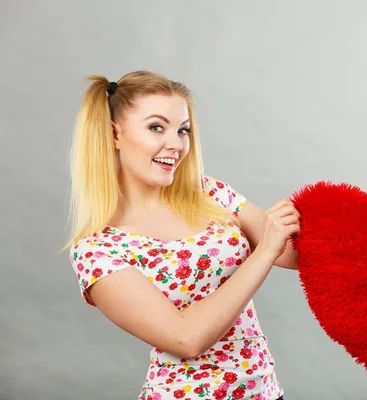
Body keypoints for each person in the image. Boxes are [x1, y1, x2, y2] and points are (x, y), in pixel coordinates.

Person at [65, 70, 300, 400]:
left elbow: (292, 253)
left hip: (264, 391)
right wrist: (263, 253)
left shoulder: (208, 193)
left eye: (183, 130)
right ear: (114, 134)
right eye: (157, 127)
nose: (175, 144)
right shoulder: (98, 250)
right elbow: (185, 338)